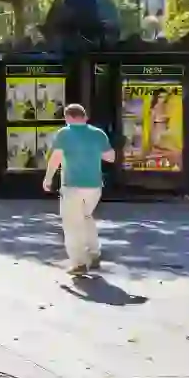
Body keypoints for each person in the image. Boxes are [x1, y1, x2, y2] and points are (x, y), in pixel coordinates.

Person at [44, 103, 115, 276]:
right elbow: (111, 157)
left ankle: (79, 262)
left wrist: (48, 178)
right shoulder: (98, 134)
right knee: (86, 216)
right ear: (85, 116)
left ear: (68, 118)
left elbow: (56, 158)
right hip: (94, 186)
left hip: (72, 185)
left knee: (71, 224)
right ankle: (94, 253)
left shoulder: (64, 134)